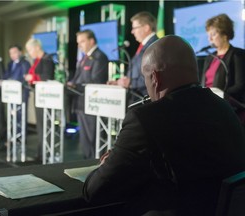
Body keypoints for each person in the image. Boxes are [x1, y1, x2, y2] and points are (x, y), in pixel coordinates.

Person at [83, 35, 245, 216]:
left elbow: (96, 190)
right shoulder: (223, 107)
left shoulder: (145, 118)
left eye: (145, 78)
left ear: (155, 78)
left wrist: (106, 164)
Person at [67, 29, 108, 159]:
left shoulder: (99, 57)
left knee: (93, 140)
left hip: (92, 104)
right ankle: (86, 167)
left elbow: (96, 81)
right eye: (78, 42)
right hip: (80, 103)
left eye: (82, 41)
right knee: (85, 141)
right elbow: (77, 77)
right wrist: (71, 83)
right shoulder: (84, 58)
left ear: (91, 41)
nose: (79, 45)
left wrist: (76, 85)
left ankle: (95, 168)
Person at [202, 13, 245, 123]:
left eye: (213, 34)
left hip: (231, 110)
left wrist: (220, 94)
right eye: (208, 35)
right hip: (208, 106)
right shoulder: (209, 58)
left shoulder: (238, 54)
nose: (210, 38)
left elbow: (240, 85)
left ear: (225, 34)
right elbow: (203, 83)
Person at [108, 11, 158, 102]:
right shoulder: (144, 45)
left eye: (135, 28)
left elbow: (154, 76)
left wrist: (131, 83)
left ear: (146, 28)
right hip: (137, 98)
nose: (132, 32)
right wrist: (120, 82)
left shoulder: (154, 46)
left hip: (146, 100)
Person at [25, 38, 55, 161]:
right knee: (40, 127)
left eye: (30, 50)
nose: (29, 53)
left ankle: (45, 153)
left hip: (46, 97)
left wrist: (33, 77)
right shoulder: (37, 60)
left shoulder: (47, 59)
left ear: (37, 47)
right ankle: (41, 152)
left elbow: (48, 76)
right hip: (39, 95)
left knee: (45, 126)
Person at [3, 44, 31, 134]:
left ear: (20, 52)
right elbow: (6, 75)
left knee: (21, 116)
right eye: (10, 53)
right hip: (11, 93)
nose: (12, 55)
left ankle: (21, 137)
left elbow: (24, 78)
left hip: (22, 93)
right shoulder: (10, 64)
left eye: (14, 52)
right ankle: (13, 135)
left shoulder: (25, 63)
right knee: (13, 115)